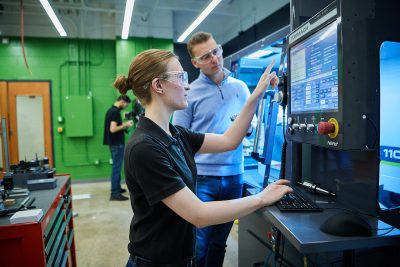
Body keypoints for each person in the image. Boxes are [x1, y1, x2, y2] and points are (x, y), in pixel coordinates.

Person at [115, 49, 291, 267]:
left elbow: (229, 140)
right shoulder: (145, 147)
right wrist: (261, 199)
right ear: (158, 85)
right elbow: (199, 214)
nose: (187, 86)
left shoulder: (177, 134)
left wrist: (255, 96)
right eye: (180, 77)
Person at [172, 32, 254, 266]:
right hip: (202, 178)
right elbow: (181, 138)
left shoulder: (240, 88)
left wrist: (244, 127)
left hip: (234, 176)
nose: (215, 59)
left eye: (216, 51)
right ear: (195, 63)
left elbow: (250, 129)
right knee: (198, 246)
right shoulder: (188, 92)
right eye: (206, 56)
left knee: (220, 243)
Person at [103, 95, 133, 201]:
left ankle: (117, 188)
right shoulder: (115, 112)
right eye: (126, 104)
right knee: (116, 168)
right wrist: (125, 125)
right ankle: (114, 193)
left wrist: (123, 124)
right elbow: (113, 129)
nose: (125, 107)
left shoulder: (110, 110)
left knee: (117, 167)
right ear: (122, 101)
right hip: (116, 144)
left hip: (113, 143)